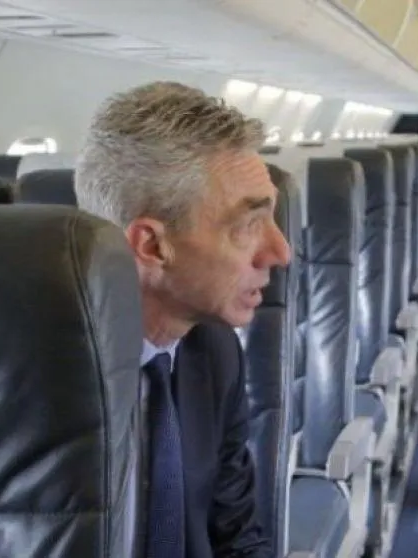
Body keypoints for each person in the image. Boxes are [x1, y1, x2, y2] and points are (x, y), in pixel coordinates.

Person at [74, 81, 290, 558]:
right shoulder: (41, 378)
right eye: (249, 225)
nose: (280, 252)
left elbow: (235, 534)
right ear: (152, 245)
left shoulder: (214, 351)